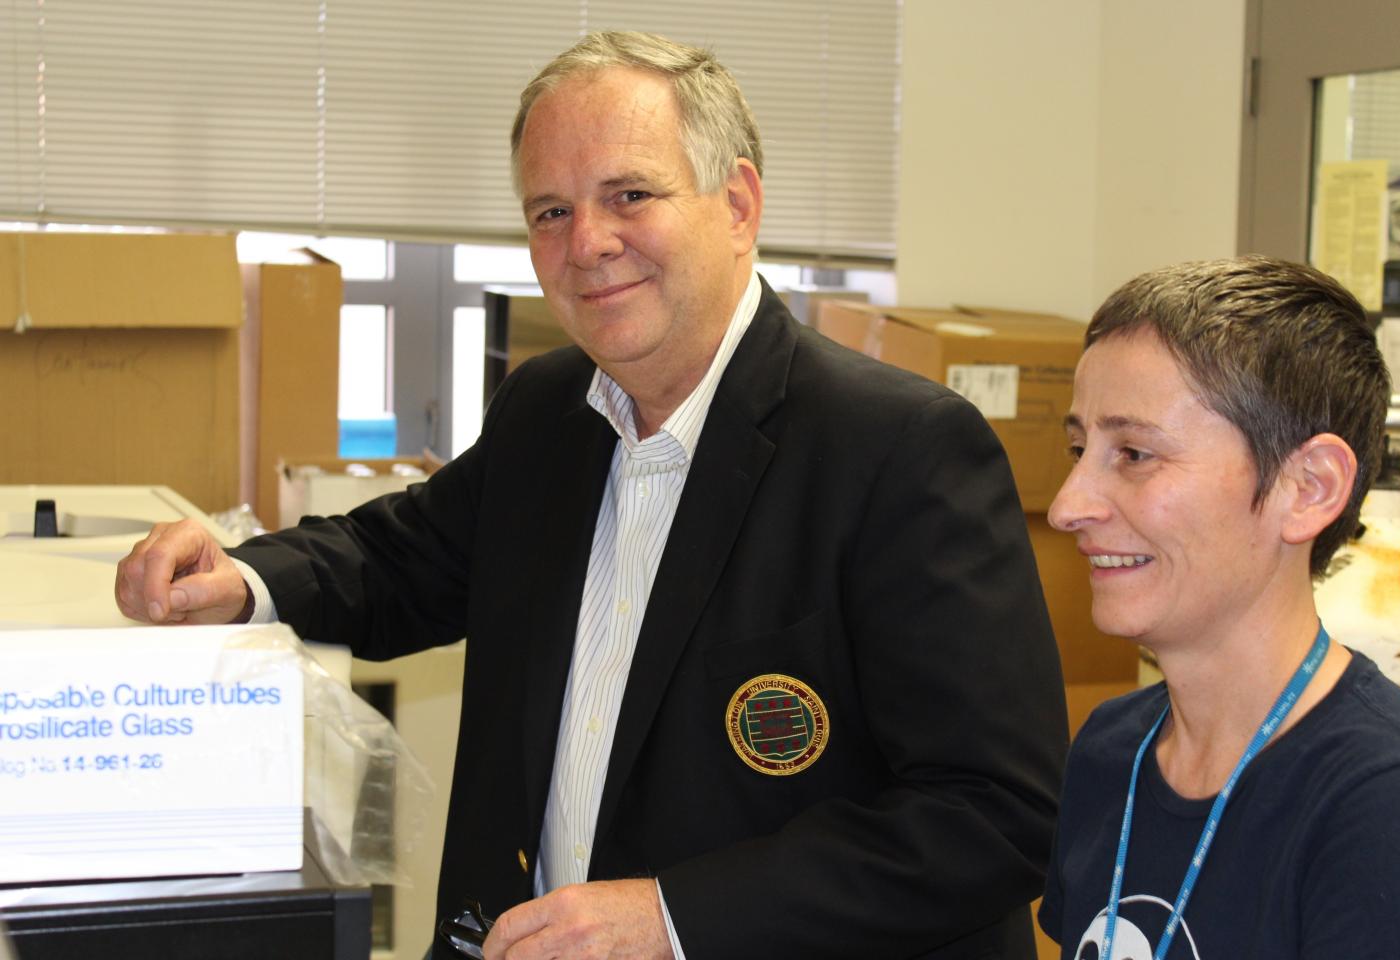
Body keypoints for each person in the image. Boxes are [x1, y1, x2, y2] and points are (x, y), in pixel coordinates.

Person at [115, 31, 1067, 960]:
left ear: (737, 204)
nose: (588, 243)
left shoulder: (901, 451)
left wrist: (674, 920)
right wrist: (240, 579)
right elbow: (404, 557)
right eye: (550, 212)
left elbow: (993, 814)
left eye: (630, 195)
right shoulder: (548, 409)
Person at [1039, 256, 1400, 958]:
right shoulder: (1111, 751)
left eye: (1133, 453)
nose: (1069, 505)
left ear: (1308, 488)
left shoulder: (1396, 807)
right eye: (1079, 448)